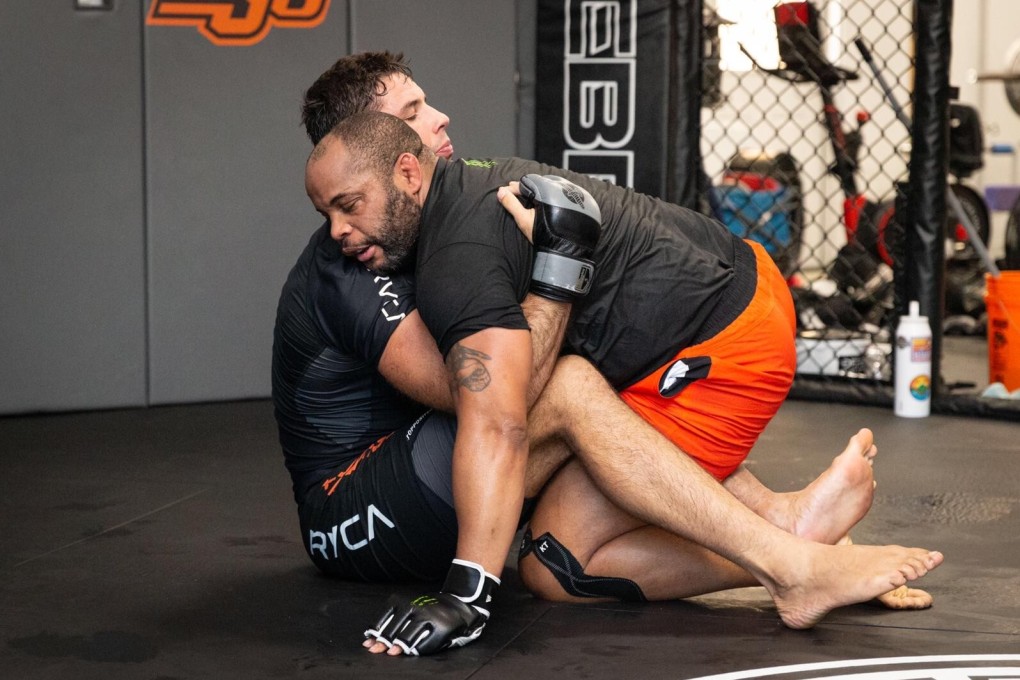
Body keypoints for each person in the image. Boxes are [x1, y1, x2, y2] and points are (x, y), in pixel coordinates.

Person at [302, 110, 943, 655]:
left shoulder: (452, 254)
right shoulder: (473, 194)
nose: (336, 229)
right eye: (328, 211)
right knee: (581, 390)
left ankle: (791, 563)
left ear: (407, 171)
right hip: (743, 290)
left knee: (557, 561)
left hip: (722, 345)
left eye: (348, 205)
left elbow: (501, 417)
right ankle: (787, 522)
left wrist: (467, 595)